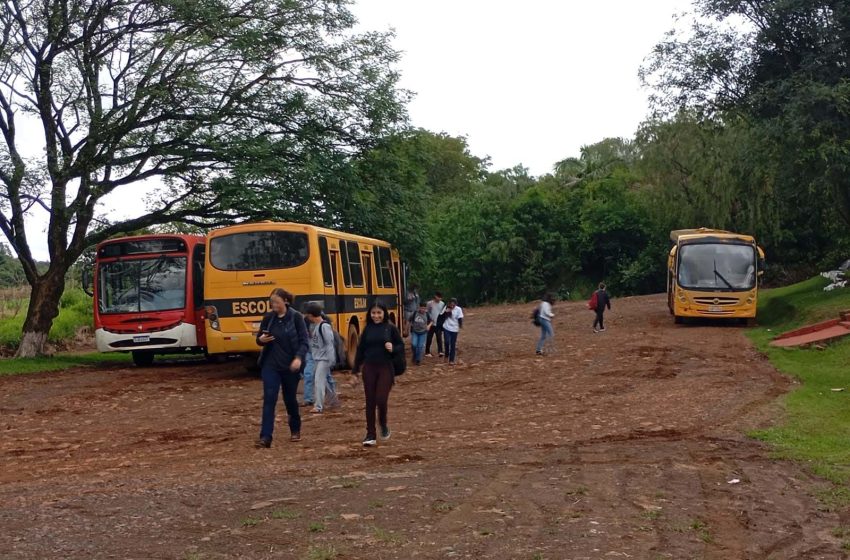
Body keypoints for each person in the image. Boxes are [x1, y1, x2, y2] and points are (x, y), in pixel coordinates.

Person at [255, 288, 308, 448]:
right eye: (271, 302)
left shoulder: (296, 317)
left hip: (290, 366)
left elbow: (304, 342)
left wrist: (298, 358)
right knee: (269, 399)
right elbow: (259, 339)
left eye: (276, 302)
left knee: (289, 399)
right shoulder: (268, 318)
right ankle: (265, 437)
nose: (274, 305)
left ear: (285, 301)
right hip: (270, 365)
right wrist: (261, 339)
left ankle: (295, 429)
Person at [352, 302, 403, 447]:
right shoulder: (367, 329)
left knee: (381, 398)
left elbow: (400, 345)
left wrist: (393, 347)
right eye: (373, 313)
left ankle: (383, 423)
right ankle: (370, 434)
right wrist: (355, 371)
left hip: (385, 367)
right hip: (369, 368)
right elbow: (360, 351)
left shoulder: (390, 328)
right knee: (370, 402)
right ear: (369, 314)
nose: (376, 316)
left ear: (384, 313)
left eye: (379, 313)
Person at [301, 310, 339, 408]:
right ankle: (332, 400)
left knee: (319, 380)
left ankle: (318, 406)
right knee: (322, 379)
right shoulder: (313, 323)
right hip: (315, 355)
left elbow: (329, 343)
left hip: (322, 357)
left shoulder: (323, 326)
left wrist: (331, 359)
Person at [441, 298, 464, 366]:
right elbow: (441, 316)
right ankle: (446, 354)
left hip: (454, 328)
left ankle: (451, 360)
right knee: (447, 342)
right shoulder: (446, 307)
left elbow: (460, 318)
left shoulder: (458, 309)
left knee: (453, 344)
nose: (452, 306)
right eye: (451, 304)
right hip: (446, 327)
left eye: (453, 305)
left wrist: (460, 325)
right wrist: (446, 312)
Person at [425, 292, 446, 357]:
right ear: (435, 296)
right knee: (429, 338)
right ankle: (427, 351)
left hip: (438, 323)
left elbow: (443, 313)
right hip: (431, 323)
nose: (439, 299)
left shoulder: (442, 304)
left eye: (440, 297)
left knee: (439, 338)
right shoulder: (429, 303)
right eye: (438, 297)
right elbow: (426, 312)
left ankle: (440, 351)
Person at [409, 301, 430, 365]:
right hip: (415, 332)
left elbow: (432, 321)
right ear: (419, 308)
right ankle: (414, 356)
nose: (423, 310)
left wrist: (428, 326)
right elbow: (409, 320)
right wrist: (406, 328)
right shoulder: (415, 313)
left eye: (424, 308)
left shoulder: (427, 314)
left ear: (426, 308)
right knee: (414, 345)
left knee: (420, 346)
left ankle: (418, 360)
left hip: (423, 332)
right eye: (421, 308)